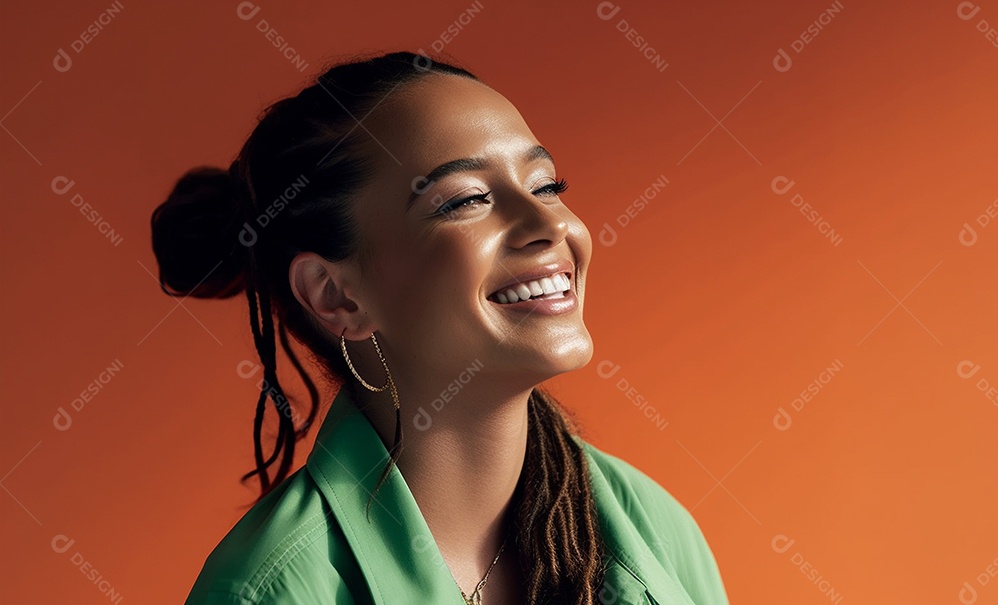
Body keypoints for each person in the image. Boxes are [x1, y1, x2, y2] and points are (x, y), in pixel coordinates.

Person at [152, 50, 730, 605]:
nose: (547, 224)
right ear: (336, 296)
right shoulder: (269, 591)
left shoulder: (657, 532)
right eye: (466, 200)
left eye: (546, 185)